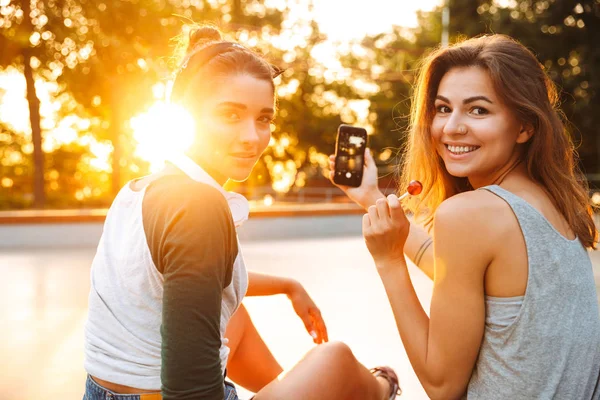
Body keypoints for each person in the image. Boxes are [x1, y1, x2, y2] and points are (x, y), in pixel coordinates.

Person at [83, 24, 401, 400]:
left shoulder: (139, 190)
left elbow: (191, 276)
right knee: (336, 359)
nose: (252, 137)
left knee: (234, 315)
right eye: (231, 115)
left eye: (263, 119)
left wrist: (287, 286)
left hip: (103, 392)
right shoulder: (198, 207)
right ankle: (384, 389)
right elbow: (189, 391)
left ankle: (289, 388)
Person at [331, 34, 600, 399]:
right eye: (443, 108)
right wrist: (371, 198)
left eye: (478, 110)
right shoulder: (554, 203)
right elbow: (457, 280)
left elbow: (442, 385)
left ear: (524, 126)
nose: (452, 127)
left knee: (331, 369)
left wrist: (389, 261)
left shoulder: (470, 213)